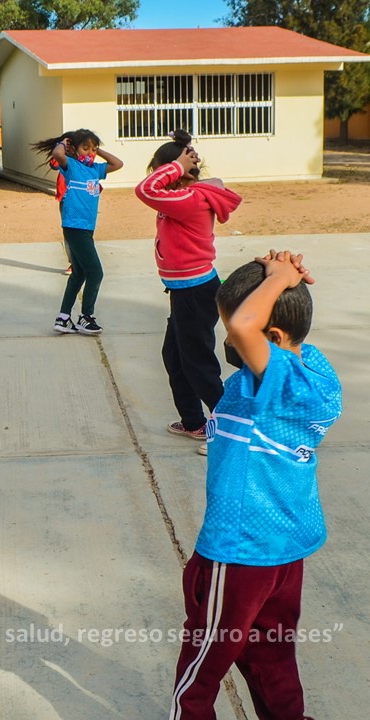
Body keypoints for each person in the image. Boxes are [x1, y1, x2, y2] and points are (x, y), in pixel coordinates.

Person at [168, 250, 341, 720]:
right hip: (282, 550)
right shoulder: (312, 372)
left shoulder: (281, 384)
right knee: (271, 658)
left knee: (202, 670)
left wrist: (281, 280)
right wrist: (283, 280)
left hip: (240, 550)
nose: (231, 336)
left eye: (235, 327)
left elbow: (248, 327)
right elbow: (260, 327)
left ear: (272, 336)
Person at [135, 130, 242, 451]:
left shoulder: (189, 199)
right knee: (175, 356)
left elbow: (144, 190)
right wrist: (182, 157)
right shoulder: (183, 196)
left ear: (175, 172)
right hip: (184, 292)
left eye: (159, 170)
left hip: (195, 293)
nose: (155, 177)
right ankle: (194, 422)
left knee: (198, 363)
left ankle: (228, 431)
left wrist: (178, 164)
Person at [32, 129, 123, 335]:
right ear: (74, 148)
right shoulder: (71, 166)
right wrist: (64, 143)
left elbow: (118, 164)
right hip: (75, 227)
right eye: (86, 148)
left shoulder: (95, 169)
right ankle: (86, 317)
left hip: (86, 229)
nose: (90, 152)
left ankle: (63, 318)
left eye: (93, 148)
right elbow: (57, 155)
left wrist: (98, 152)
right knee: (96, 273)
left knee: (80, 273)